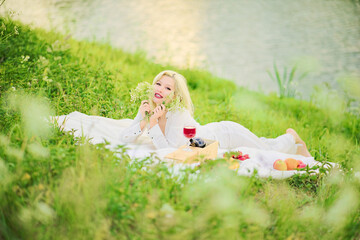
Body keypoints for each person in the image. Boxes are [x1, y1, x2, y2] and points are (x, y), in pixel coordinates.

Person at [120, 70, 312, 157]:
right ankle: (294, 144)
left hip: (226, 134)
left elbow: (169, 151)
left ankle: (291, 137)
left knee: (266, 151)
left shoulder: (178, 114)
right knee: (259, 143)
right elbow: (125, 139)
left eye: (168, 88)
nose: (160, 89)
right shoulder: (149, 107)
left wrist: (153, 125)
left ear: (176, 95)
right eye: (158, 84)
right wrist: (143, 121)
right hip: (212, 140)